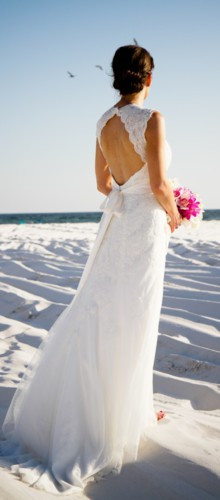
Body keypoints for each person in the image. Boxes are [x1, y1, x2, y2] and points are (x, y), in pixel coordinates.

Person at [0, 44, 182, 495]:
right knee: (135, 315)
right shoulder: (153, 119)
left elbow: (102, 184)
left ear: (116, 78)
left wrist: (131, 183)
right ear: (149, 78)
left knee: (102, 310)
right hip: (142, 225)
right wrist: (176, 211)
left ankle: (122, 406)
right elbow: (158, 184)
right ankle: (127, 414)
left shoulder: (103, 122)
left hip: (116, 224)